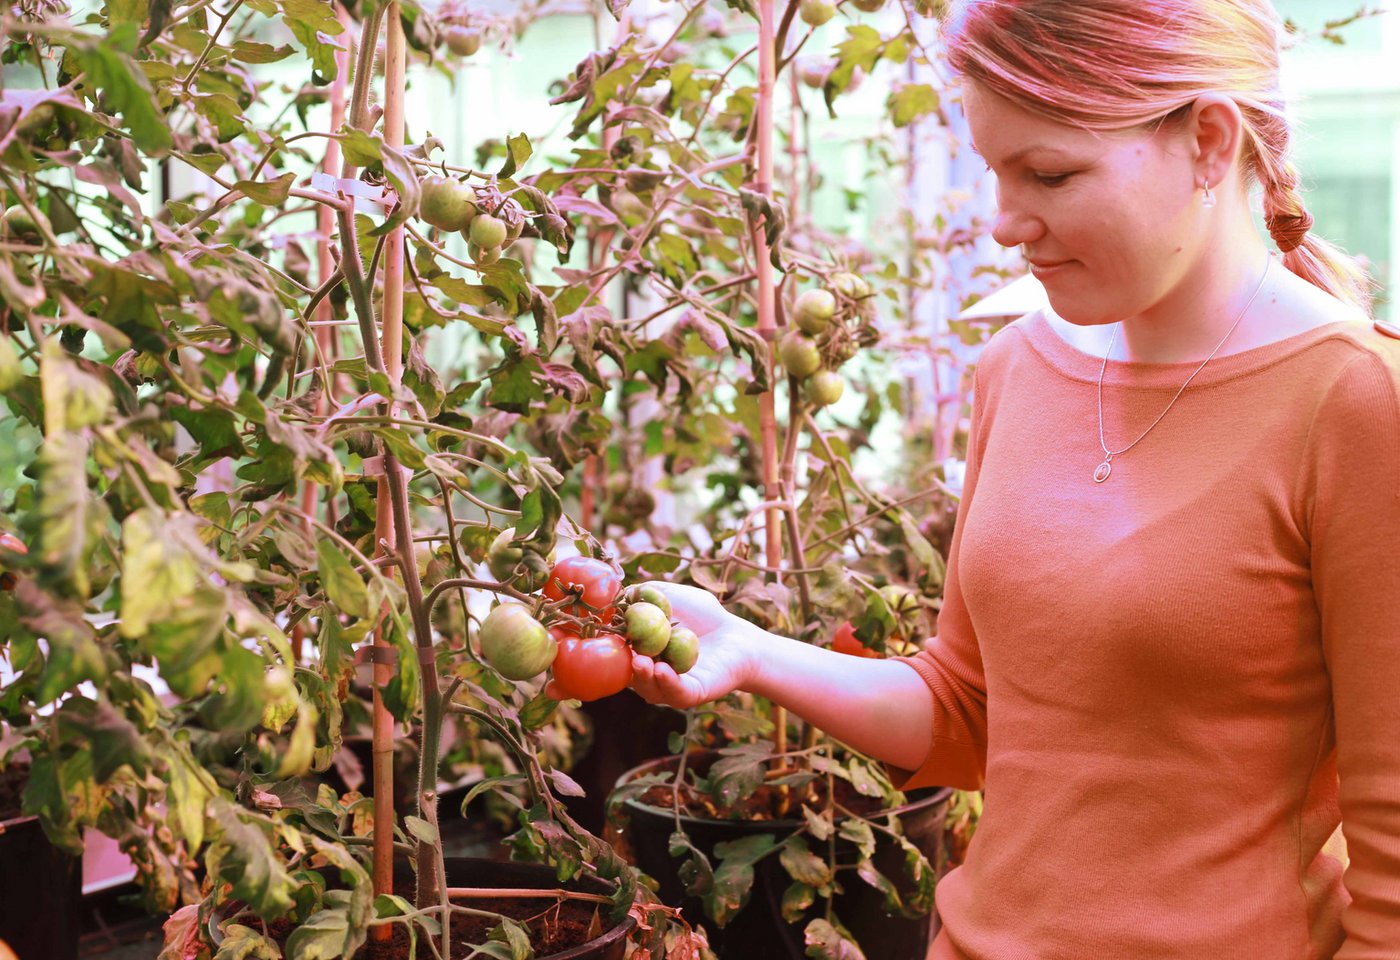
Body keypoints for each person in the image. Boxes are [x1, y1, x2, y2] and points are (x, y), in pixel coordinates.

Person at [595, 1, 1400, 957]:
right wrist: (750, 651)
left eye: (1050, 173)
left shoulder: (1355, 401)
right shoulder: (1017, 368)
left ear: (1209, 141)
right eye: (995, 171)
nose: (1005, 223)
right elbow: (968, 715)